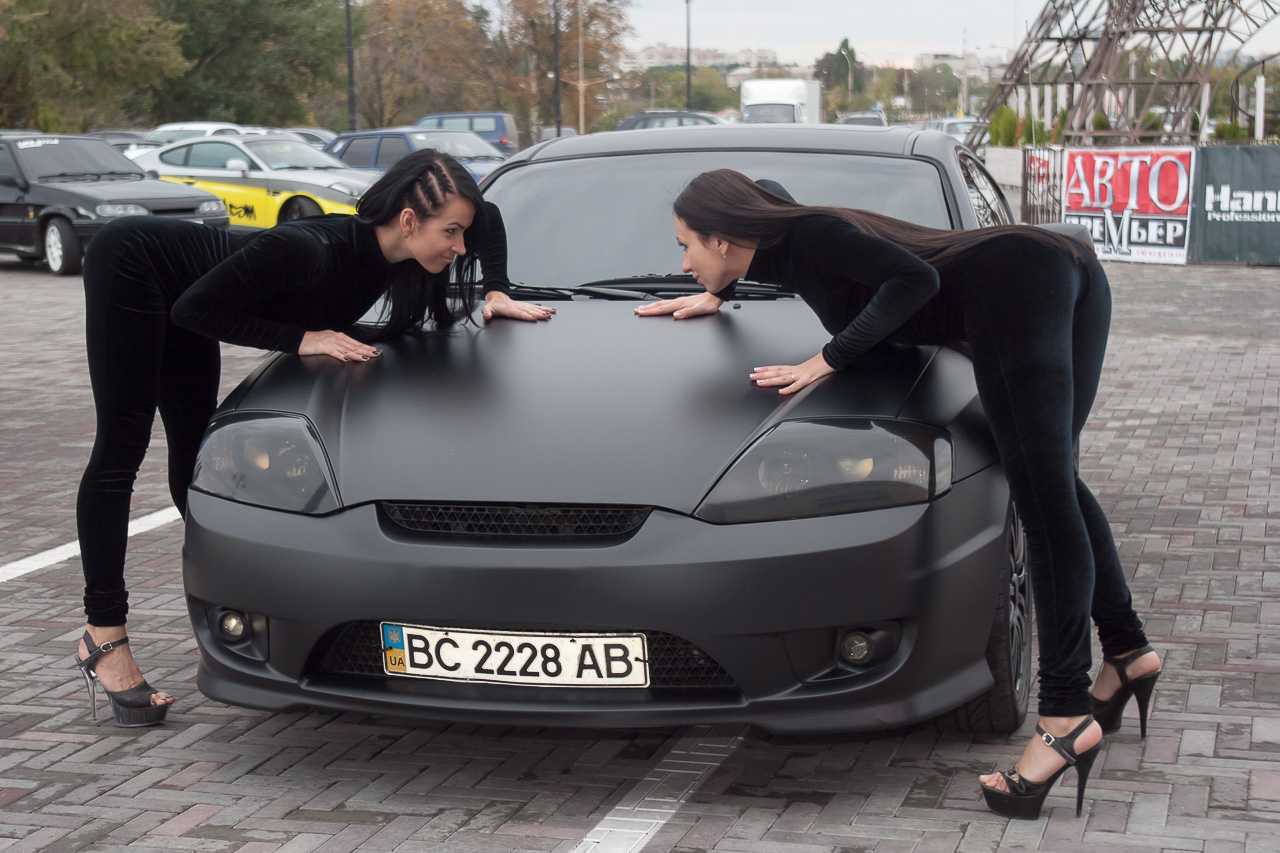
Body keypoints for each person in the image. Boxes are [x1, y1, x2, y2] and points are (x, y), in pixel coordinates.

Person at [634, 169, 1162, 820]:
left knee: (1044, 500)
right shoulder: (778, 235)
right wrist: (717, 291)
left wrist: (828, 357)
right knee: (1054, 484)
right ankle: (1129, 652)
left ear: (722, 237)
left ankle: (1063, 717)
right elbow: (766, 188)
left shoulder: (813, 236)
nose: (682, 263)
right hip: (1059, 268)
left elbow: (916, 280)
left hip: (1018, 285)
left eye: (687, 246)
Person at [74, 149, 553, 727]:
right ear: (408, 221)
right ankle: (103, 635)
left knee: (195, 453)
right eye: (450, 232)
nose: (460, 247)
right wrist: (300, 338)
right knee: (121, 450)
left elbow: (488, 217)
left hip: (201, 295)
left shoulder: (399, 256)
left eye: (461, 234)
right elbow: (193, 310)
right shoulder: (311, 250)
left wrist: (496, 291)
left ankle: (245, 615)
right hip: (138, 265)